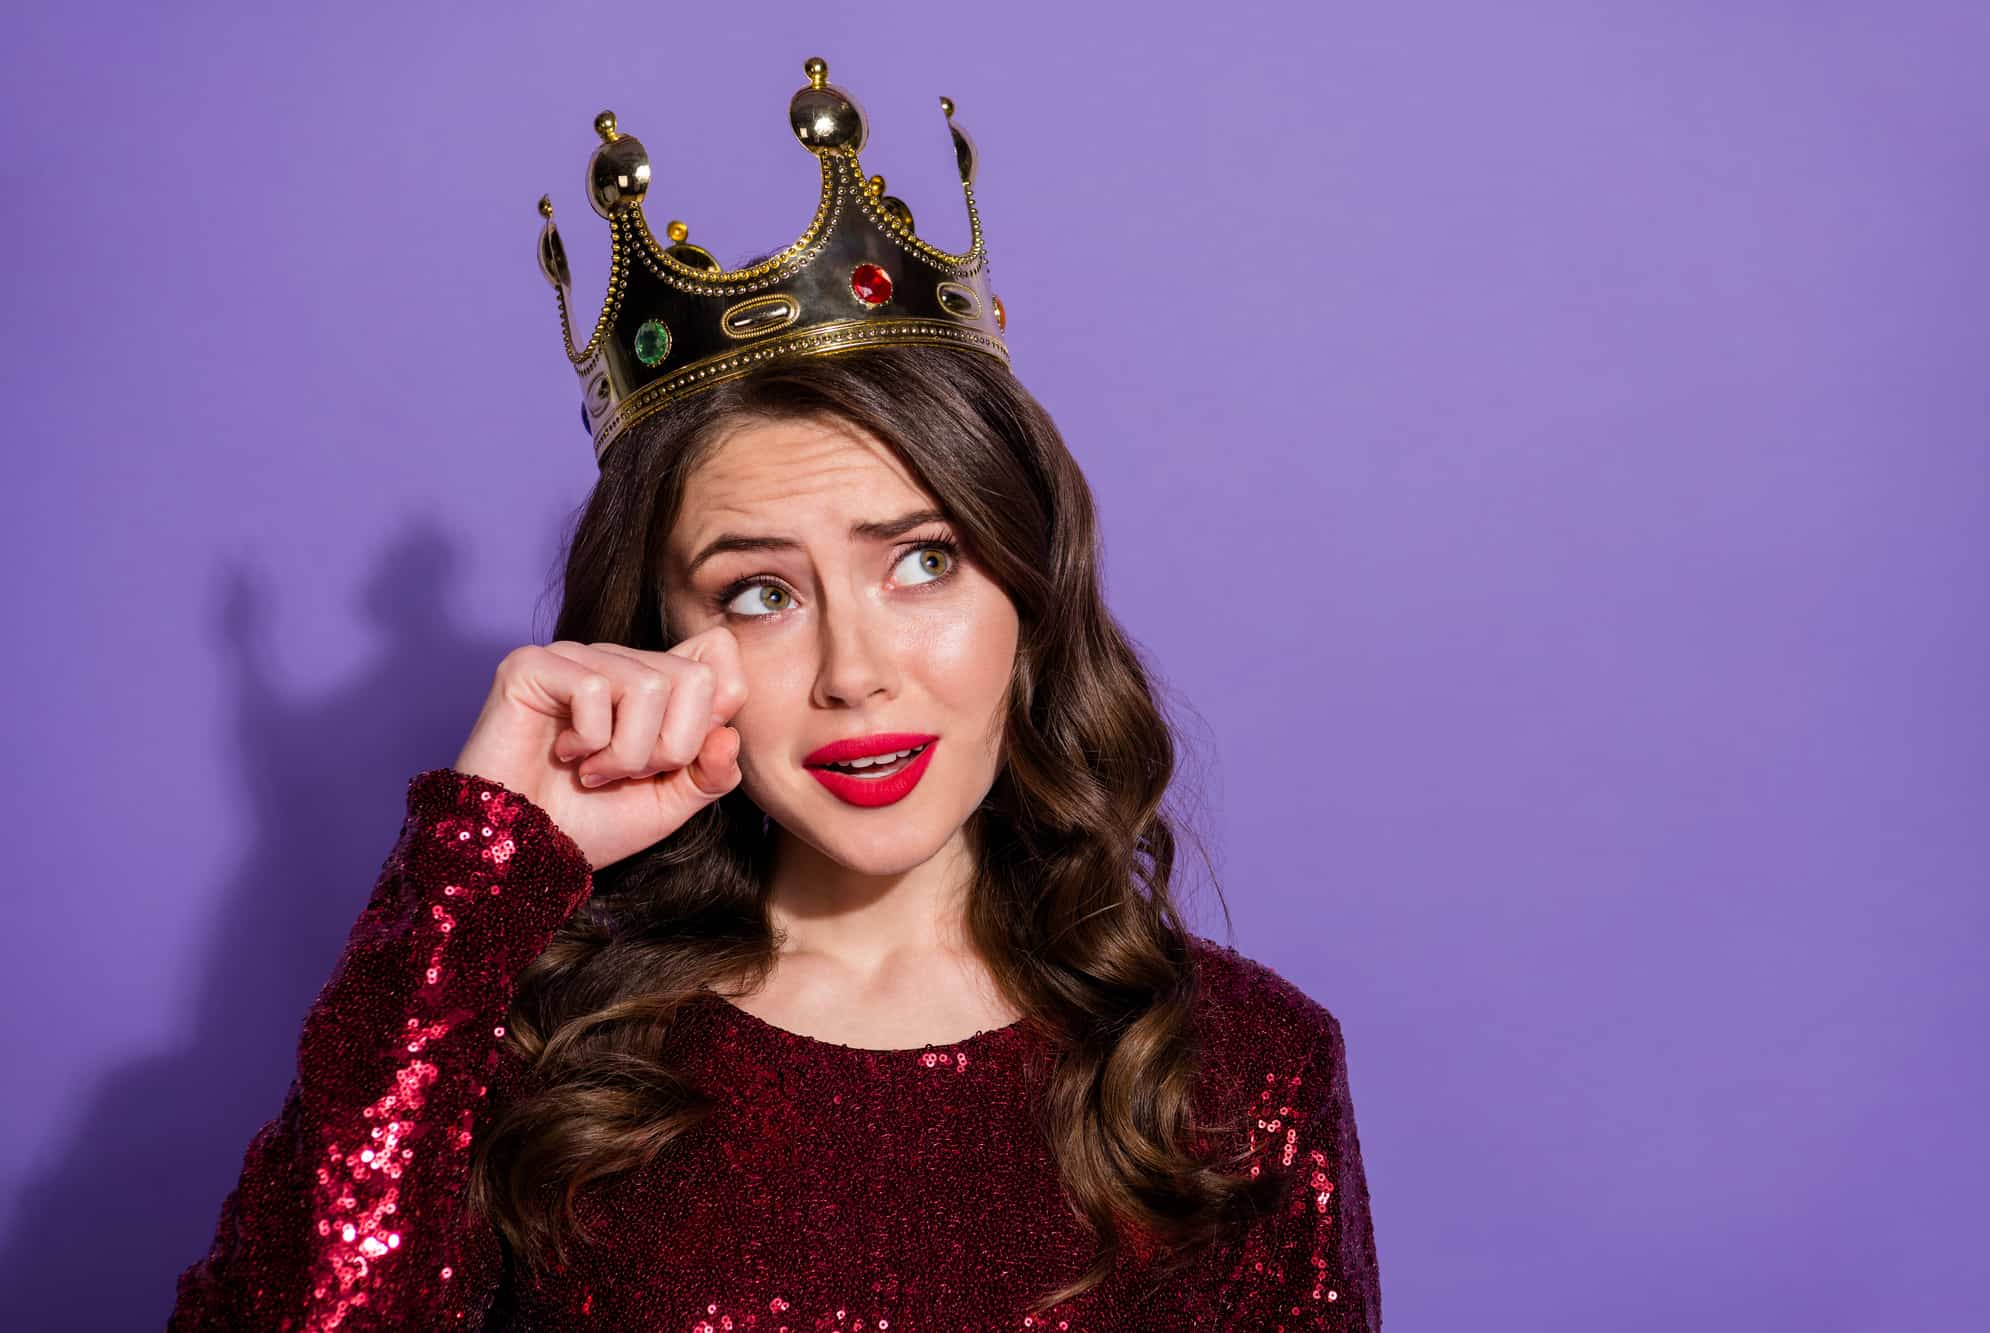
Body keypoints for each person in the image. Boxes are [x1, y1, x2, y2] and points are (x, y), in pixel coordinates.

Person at [169, 56, 1380, 1331]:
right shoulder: (524, 1042)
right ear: (659, 635)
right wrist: (469, 883)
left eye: (923, 562)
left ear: (1030, 596)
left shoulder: (1245, 1069)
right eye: (760, 593)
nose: (854, 671)